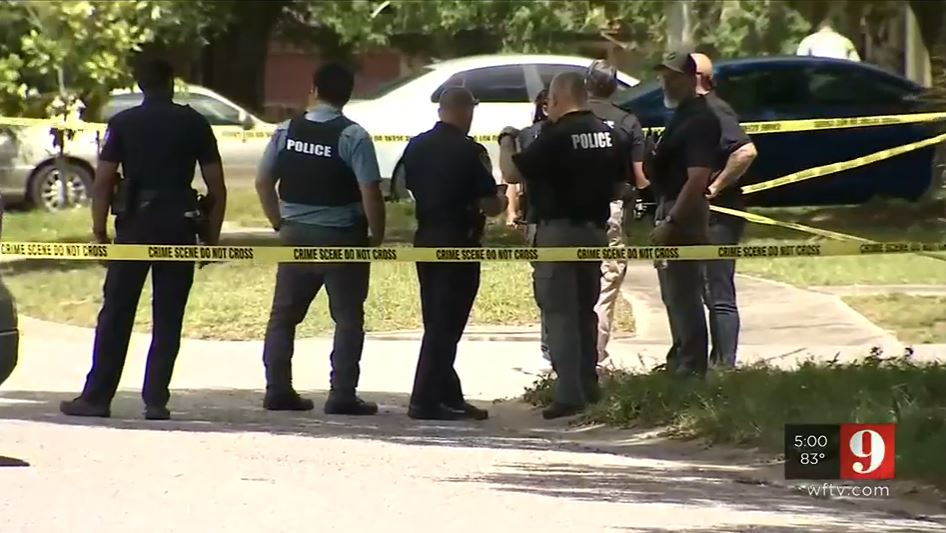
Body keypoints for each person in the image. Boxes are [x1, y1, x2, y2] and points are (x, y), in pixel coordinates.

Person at [59, 58, 227, 420]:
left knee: (117, 313)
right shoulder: (195, 122)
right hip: (180, 226)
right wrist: (211, 238)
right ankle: (155, 400)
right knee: (169, 315)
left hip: (135, 225)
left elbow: (103, 182)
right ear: (172, 83)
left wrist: (100, 231)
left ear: (139, 85)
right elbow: (217, 186)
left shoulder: (123, 123)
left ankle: (97, 397)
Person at [255, 62, 385, 415]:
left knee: (283, 316)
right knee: (346, 317)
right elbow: (370, 191)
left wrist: (278, 222)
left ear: (313, 91)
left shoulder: (285, 131)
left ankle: (278, 389)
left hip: (295, 234)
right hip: (342, 236)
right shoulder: (353, 136)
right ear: (348, 95)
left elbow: (263, 181)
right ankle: (342, 394)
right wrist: (377, 234)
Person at [499, 72, 627, 419]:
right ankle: (588, 384)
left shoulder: (556, 136)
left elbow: (512, 174)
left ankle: (569, 393)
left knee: (559, 313)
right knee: (585, 309)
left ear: (554, 100)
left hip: (558, 233)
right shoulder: (609, 133)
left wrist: (507, 141)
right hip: (595, 231)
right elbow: (621, 186)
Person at [396, 87, 507, 421]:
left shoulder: (416, 145)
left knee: (436, 319)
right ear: (465, 111)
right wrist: (501, 198)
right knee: (447, 325)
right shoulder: (469, 151)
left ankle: (449, 395)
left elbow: (403, 187)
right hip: (459, 242)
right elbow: (490, 205)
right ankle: (424, 400)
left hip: (426, 237)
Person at [647, 49, 722, 378]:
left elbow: (697, 178)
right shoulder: (681, 115)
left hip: (685, 213)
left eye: (673, 76)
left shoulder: (701, 119)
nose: (666, 81)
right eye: (663, 75)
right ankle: (680, 360)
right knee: (673, 295)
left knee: (685, 295)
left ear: (690, 80)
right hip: (672, 205)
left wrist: (672, 222)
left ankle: (691, 370)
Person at [692, 53, 758, 369]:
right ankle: (714, 361)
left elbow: (745, 151)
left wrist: (715, 188)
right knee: (706, 290)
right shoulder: (697, 111)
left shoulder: (715, 110)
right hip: (704, 216)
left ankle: (725, 367)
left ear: (697, 78)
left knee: (719, 293)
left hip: (720, 215)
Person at [584, 59, 650, 364]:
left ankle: (570, 354)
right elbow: (641, 178)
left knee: (573, 279)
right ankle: (595, 352)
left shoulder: (571, 119)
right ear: (614, 88)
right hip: (610, 210)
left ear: (587, 85)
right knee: (608, 278)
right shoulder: (627, 122)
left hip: (570, 210)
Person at [505, 90, 549, 227]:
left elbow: (512, 176)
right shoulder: (569, 131)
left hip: (534, 212)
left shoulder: (526, 134)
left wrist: (511, 212)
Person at [796, 20, 860, 61]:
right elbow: (856, 61)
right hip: (840, 71)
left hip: (817, 71)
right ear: (833, 29)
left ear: (818, 29)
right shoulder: (845, 40)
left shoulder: (808, 39)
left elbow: (800, 59)